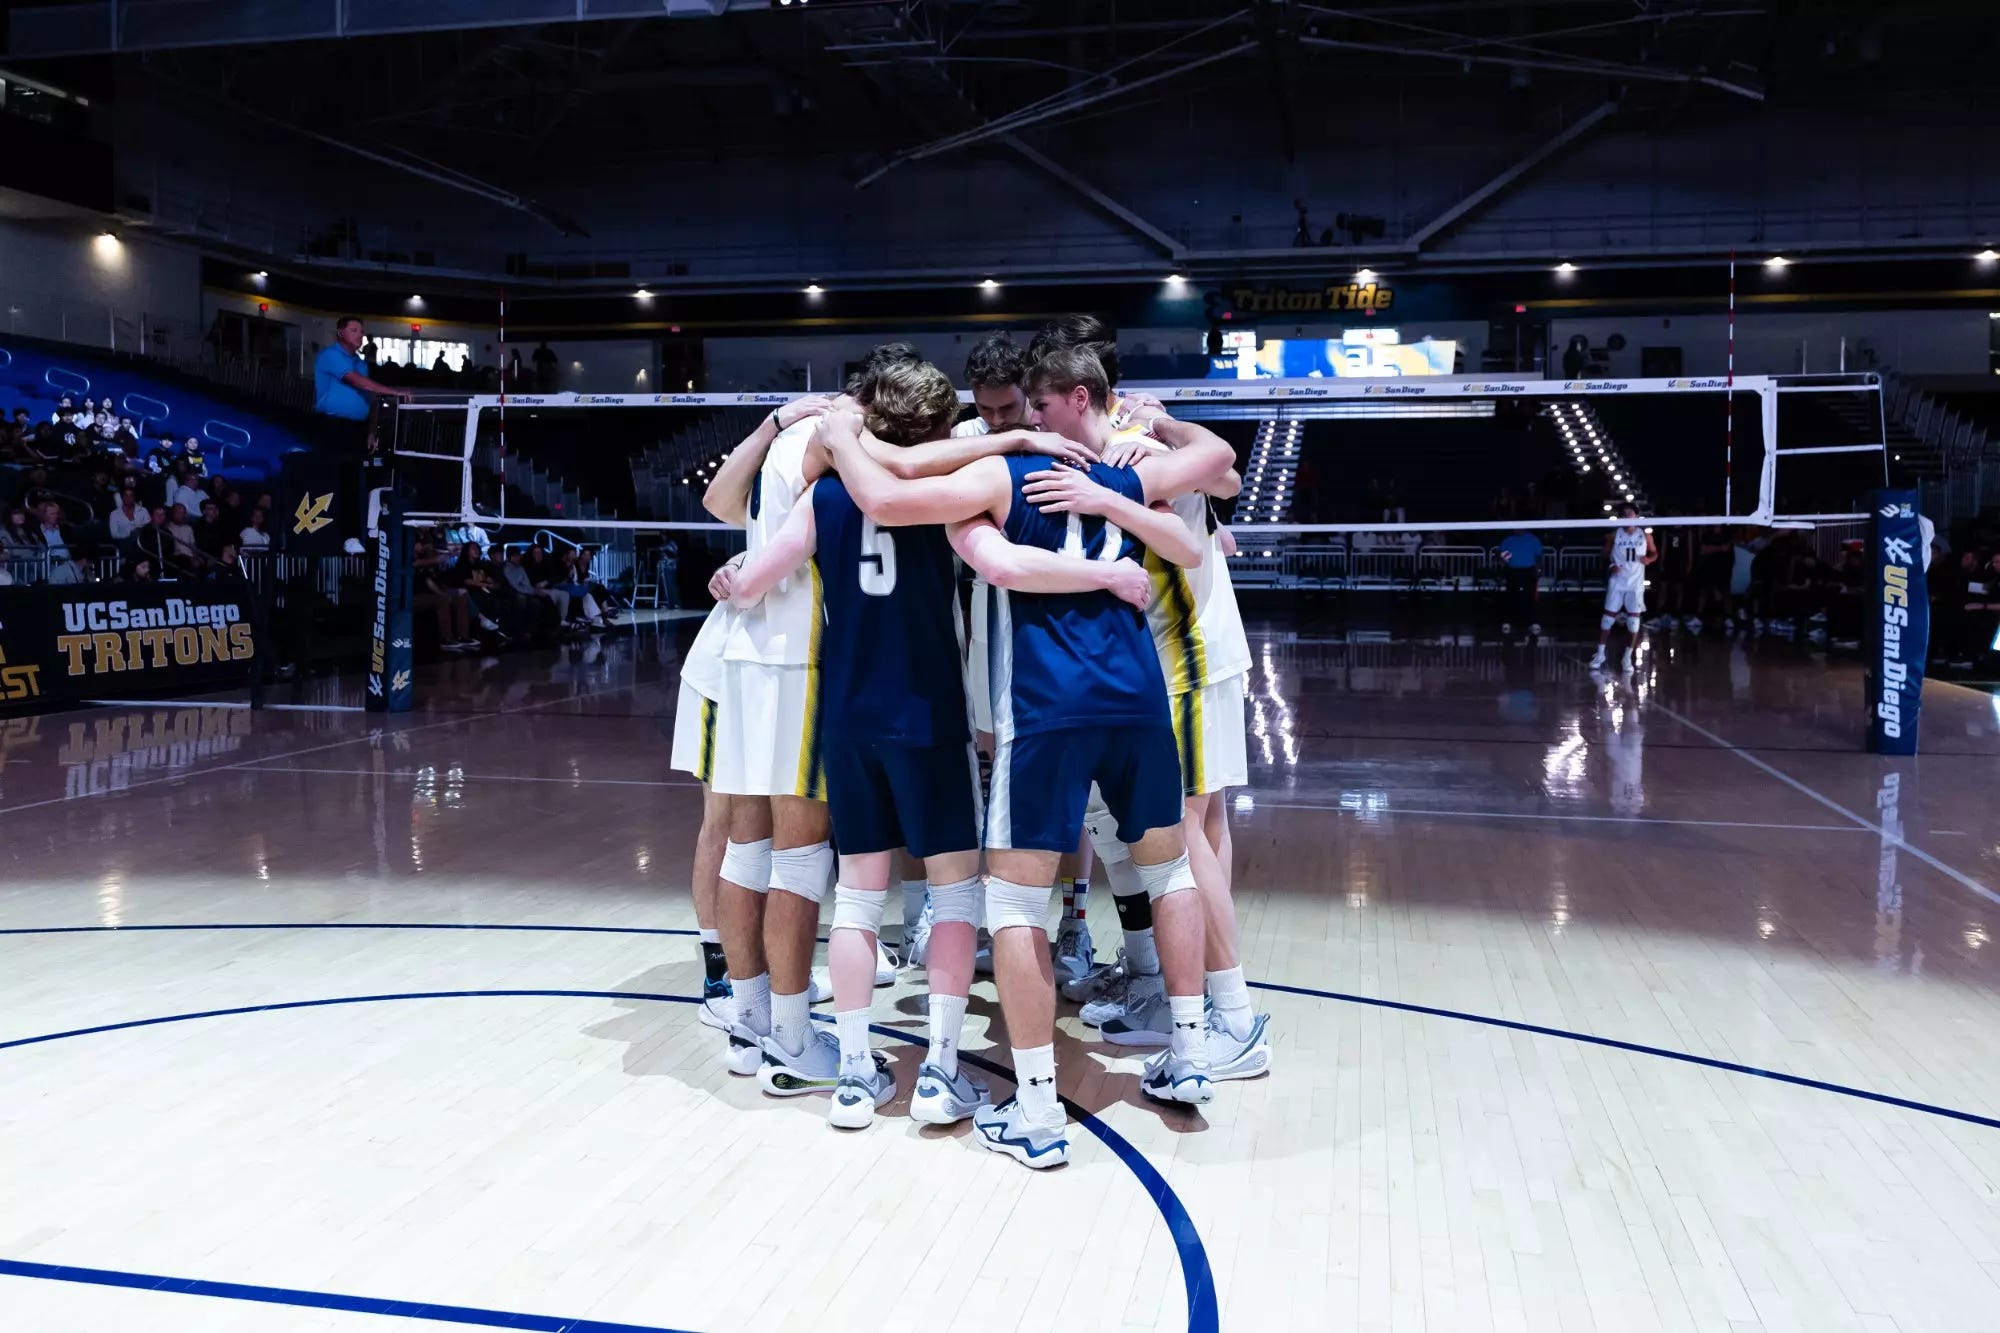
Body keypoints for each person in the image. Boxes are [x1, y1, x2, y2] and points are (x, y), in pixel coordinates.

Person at [823, 342, 1238, 1168]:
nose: (1022, 417)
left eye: (1027, 408)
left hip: (1047, 707)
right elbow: (1205, 507)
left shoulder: (997, 477)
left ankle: (1039, 1108)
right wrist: (1120, 523)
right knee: (1169, 873)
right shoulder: (1124, 472)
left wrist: (839, 435)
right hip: (1138, 696)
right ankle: (1190, 1052)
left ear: (1059, 403)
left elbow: (917, 512)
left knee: (1012, 903)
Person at [717, 359, 1152, 1128]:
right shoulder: (948, 498)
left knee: (857, 897)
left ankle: (855, 1073)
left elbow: (751, 583)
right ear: (941, 430)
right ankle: (941, 1070)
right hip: (930, 716)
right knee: (955, 895)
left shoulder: (825, 495)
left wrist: (732, 577)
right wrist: (1106, 576)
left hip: (847, 719)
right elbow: (1003, 563)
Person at [314, 317, 412, 457]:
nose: (360, 335)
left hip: (358, 429)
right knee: (333, 468)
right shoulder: (330, 355)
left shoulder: (361, 364)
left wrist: (371, 431)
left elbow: (370, 397)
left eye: (361, 332)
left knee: (355, 469)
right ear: (341, 333)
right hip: (333, 426)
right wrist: (394, 392)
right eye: (354, 330)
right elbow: (356, 381)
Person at [1591, 503, 1655, 672]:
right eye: (1624, 513)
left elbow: (1654, 553)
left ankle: (1627, 658)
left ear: (1636, 516)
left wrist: (1649, 560)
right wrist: (1611, 566)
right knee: (1607, 620)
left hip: (1635, 584)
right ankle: (1600, 654)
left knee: (1633, 623)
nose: (1627, 516)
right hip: (1617, 582)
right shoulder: (1614, 535)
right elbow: (1604, 555)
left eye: (1630, 513)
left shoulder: (1645, 535)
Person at [1496, 529, 1543, 638]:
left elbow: (1538, 556)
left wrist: (1539, 570)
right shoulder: (1508, 540)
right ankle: (1508, 621)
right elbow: (1500, 555)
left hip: (1529, 571)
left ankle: (1532, 622)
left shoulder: (1533, 539)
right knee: (1511, 596)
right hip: (1513, 571)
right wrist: (1502, 559)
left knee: (1529, 596)